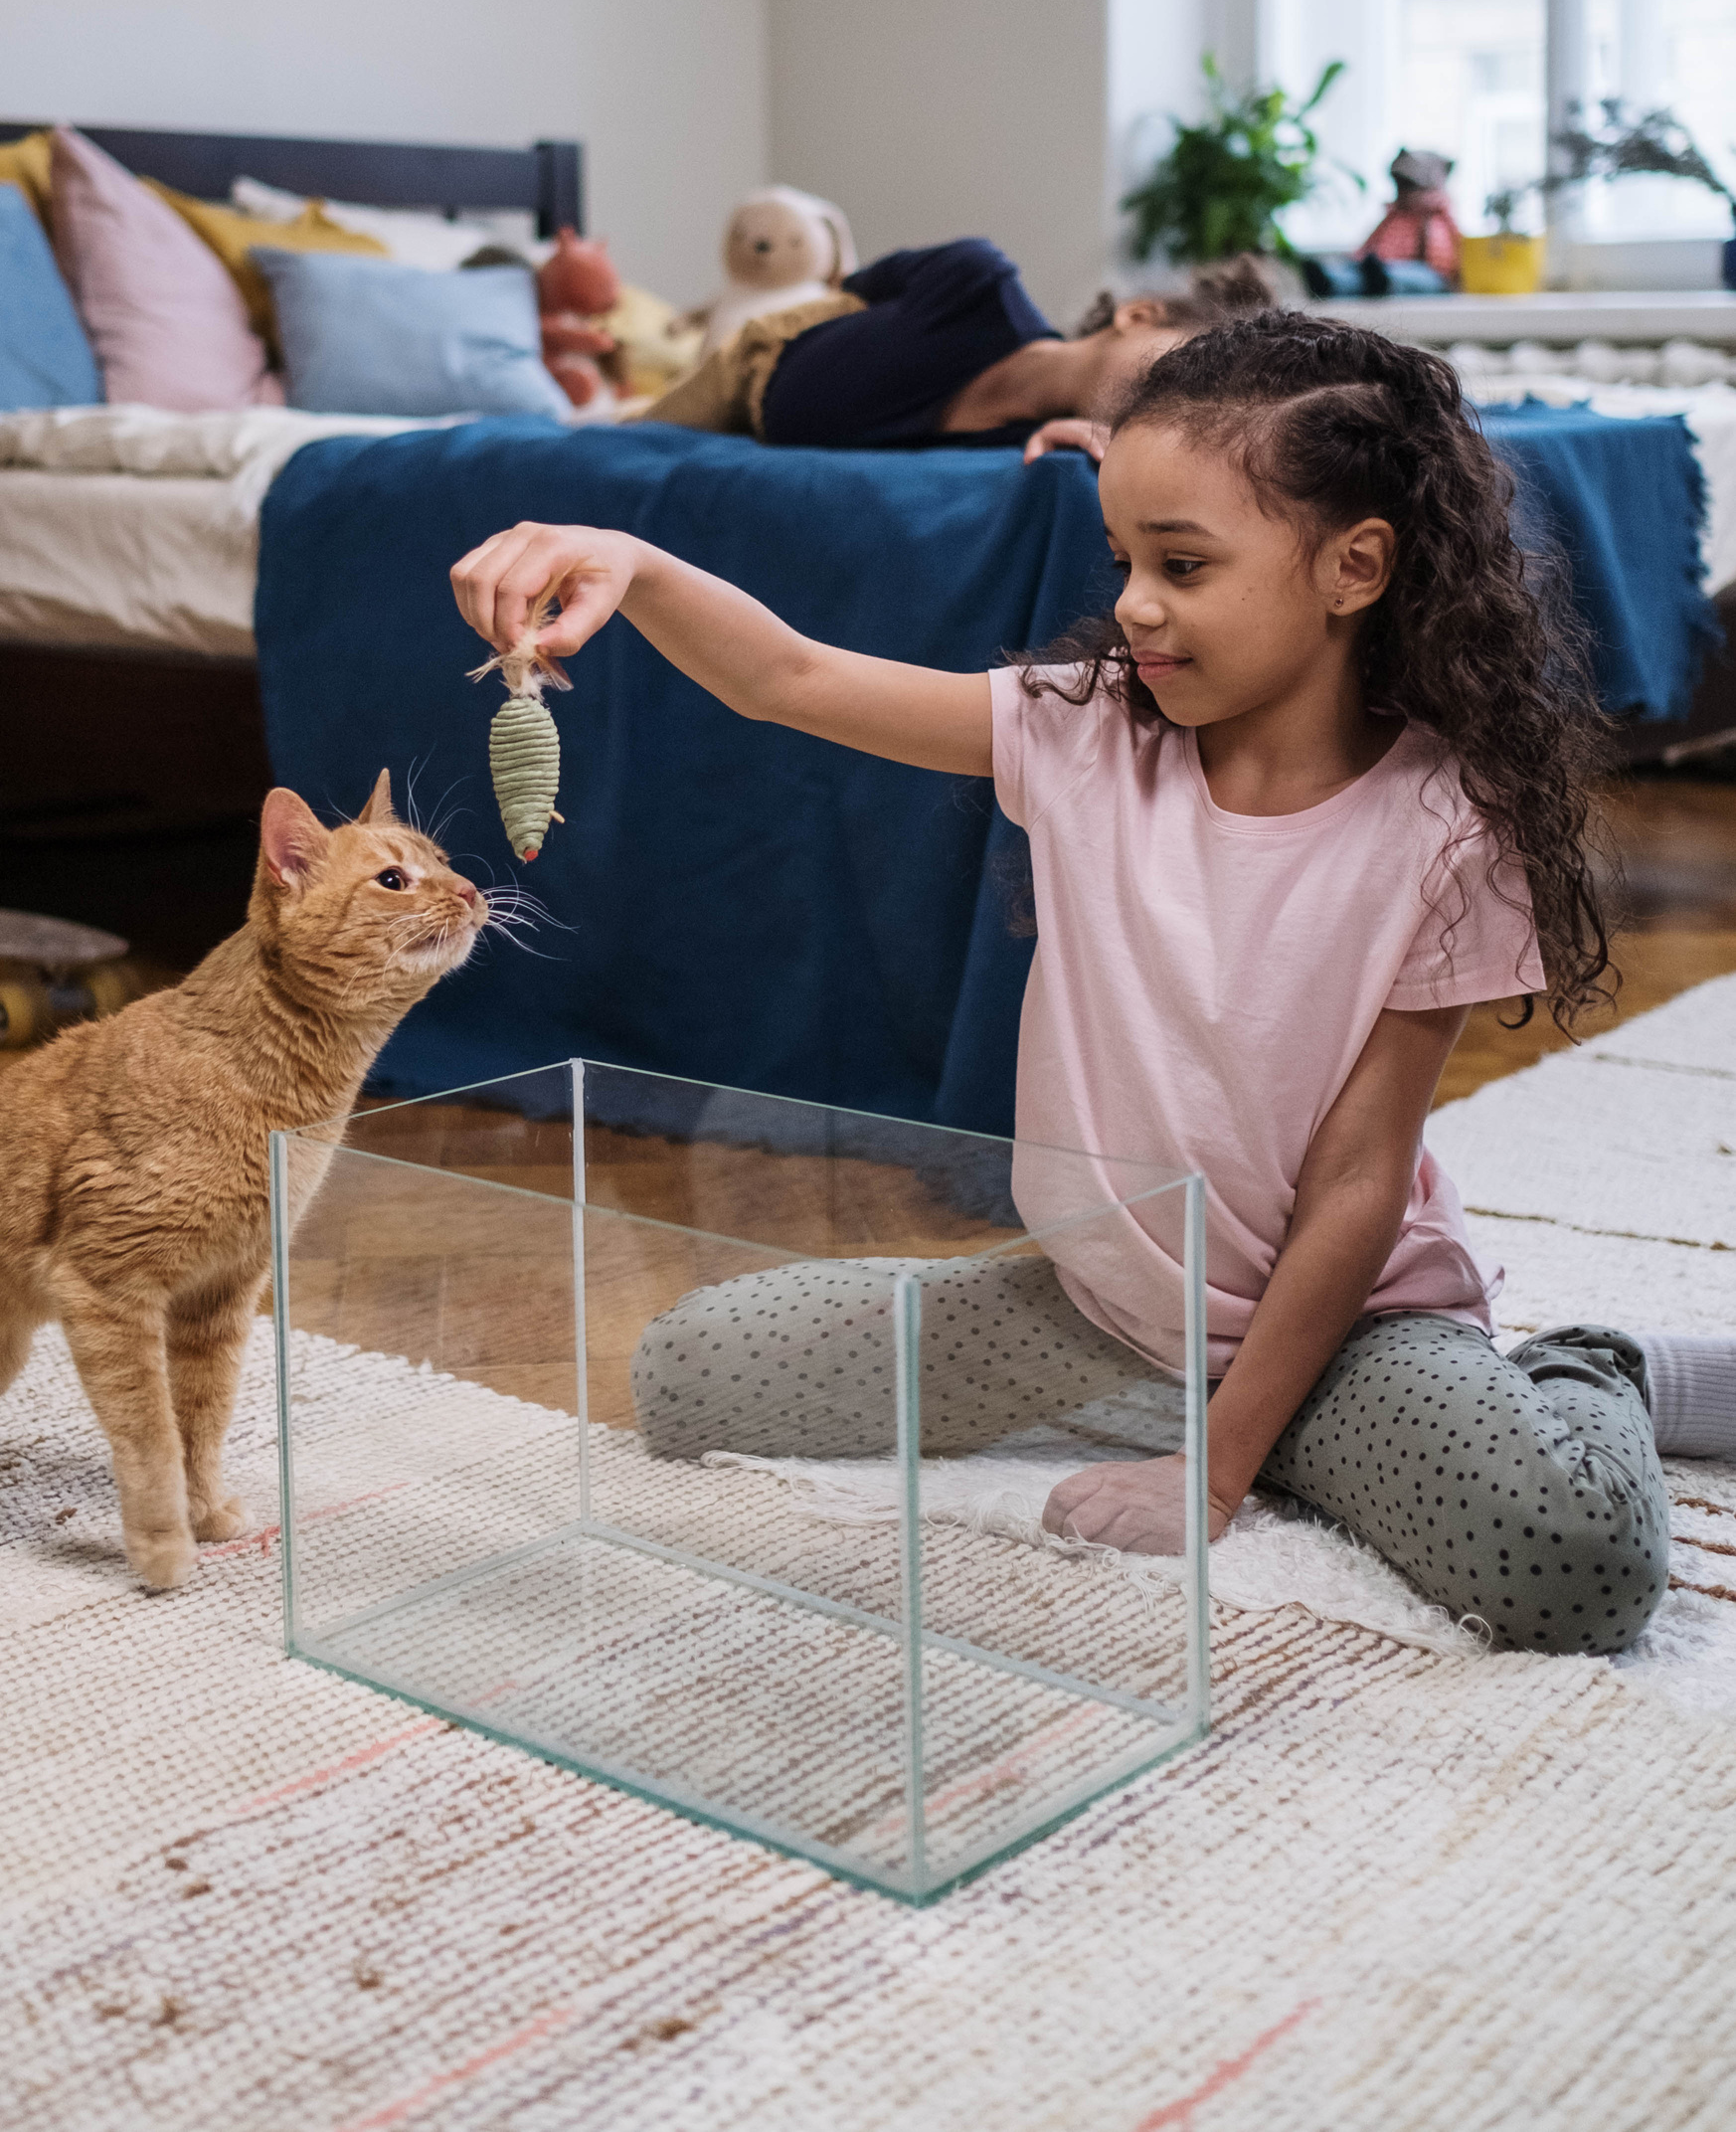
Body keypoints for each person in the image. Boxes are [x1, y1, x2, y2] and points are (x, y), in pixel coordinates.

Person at [452, 309, 1736, 1656]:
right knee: (690, 1377)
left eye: (1181, 563)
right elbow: (789, 676)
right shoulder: (1079, 730)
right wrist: (633, 561)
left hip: (1348, 1326)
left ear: (1352, 566)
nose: (1131, 602)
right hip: (1103, 1315)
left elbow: (1359, 1182)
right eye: (1123, 558)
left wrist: (1216, 1472)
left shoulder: (1447, 826)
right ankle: (1273, 1435)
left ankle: (1586, 1365)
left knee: (1571, 1561)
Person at [642, 240, 1275, 461]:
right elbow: (860, 287)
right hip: (759, 362)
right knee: (632, 433)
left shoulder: (1039, 443)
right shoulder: (977, 282)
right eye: (1175, 365)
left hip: (780, 429)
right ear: (1137, 315)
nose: (1170, 394)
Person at [1357, 147, 1461, 283]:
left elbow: (1454, 248)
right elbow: (1370, 243)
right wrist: (1359, 259)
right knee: (1356, 276)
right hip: (1387, 265)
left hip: (1429, 273)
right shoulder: (1394, 215)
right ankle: (1333, 280)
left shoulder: (1437, 216)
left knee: (1406, 276)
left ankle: (1381, 276)